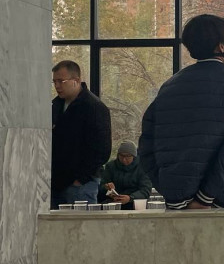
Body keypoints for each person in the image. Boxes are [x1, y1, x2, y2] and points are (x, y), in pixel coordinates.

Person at [138, 14, 224, 209]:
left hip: (179, 203)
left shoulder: (169, 87)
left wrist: (173, 193)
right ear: (221, 46)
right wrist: (205, 197)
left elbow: (146, 145)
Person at [51, 60, 112, 209]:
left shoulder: (94, 107)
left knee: (81, 224)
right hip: (55, 183)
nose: (57, 86)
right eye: (54, 82)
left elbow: (102, 150)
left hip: (81, 185)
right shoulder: (55, 105)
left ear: (76, 80)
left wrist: (81, 178)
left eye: (61, 81)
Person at [99, 141, 152, 209]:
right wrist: (106, 188)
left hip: (135, 203)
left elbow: (145, 190)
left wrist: (130, 198)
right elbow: (101, 186)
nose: (124, 159)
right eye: (121, 156)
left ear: (133, 156)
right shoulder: (110, 166)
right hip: (113, 202)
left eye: (128, 156)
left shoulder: (142, 167)